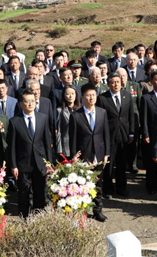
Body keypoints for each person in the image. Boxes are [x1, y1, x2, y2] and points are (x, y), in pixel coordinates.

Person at [7, 90, 53, 218]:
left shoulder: (42, 118)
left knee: (40, 192)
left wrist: (49, 163)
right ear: (21, 103)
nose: (30, 104)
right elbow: (12, 146)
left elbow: (47, 142)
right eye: (26, 101)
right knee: (24, 193)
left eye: (32, 101)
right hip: (23, 163)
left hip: (40, 162)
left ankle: (39, 216)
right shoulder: (14, 121)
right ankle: (25, 217)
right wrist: (14, 165)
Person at [69, 85, 110, 222]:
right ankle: (83, 211)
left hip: (99, 153)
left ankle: (98, 210)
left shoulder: (102, 112)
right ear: (82, 97)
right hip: (84, 154)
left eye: (93, 95)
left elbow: (106, 134)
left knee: (98, 184)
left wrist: (106, 153)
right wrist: (75, 157)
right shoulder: (76, 115)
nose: (91, 98)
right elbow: (73, 138)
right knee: (83, 184)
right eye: (88, 95)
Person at [97, 74, 134, 198]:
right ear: (108, 84)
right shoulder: (102, 98)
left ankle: (121, 188)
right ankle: (108, 189)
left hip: (124, 135)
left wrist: (131, 132)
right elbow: (100, 119)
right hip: (109, 135)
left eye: (118, 82)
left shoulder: (127, 96)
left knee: (122, 163)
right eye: (113, 82)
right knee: (109, 164)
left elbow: (131, 115)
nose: (116, 84)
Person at [140, 71, 157, 194]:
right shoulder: (146, 98)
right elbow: (143, 118)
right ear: (151, 81)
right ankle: (151, 186)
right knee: (151, 163)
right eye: (156, 79)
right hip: (151, 134)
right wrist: (145, 134)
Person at [54, 85, 79, 159]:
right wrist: (59, 149)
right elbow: (59, 130)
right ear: (64, 95)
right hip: (66, 144)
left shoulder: (80, 110)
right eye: (68, 94)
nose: (70, 96)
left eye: (72, 93)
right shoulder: (60, 110)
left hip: (79, 144)